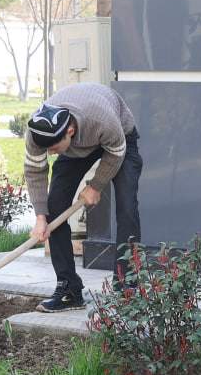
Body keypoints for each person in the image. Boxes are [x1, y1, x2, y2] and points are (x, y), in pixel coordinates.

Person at [24, 83, 142, 312]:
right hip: (75, 148)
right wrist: (40, 217)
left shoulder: (102, 120)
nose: (50, 153)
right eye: (46, 149)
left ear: (69, 130)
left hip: (120, 140)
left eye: (53, 148)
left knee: (127, 207)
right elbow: (34, 171)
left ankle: (127, 286)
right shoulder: (39, 132)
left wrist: (96, 186)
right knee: (54, 207)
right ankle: (69, 289)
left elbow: (116, 151)